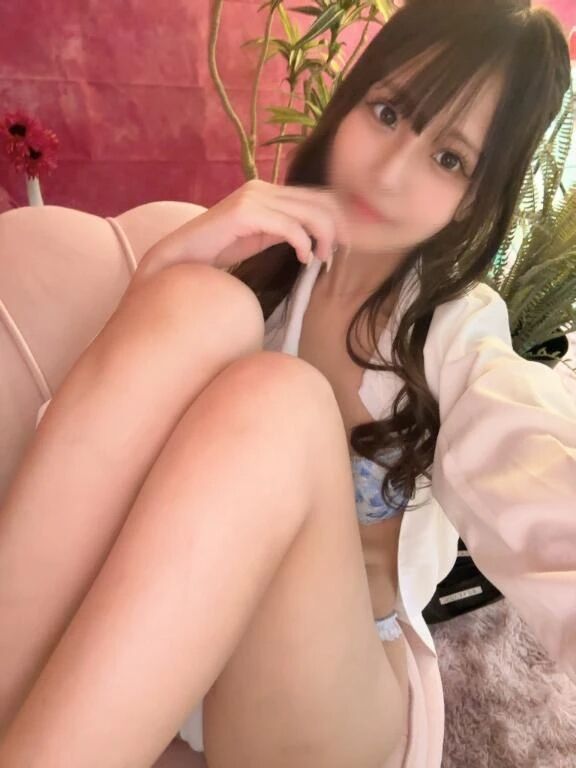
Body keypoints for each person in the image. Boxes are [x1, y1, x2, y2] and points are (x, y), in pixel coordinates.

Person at [0, 0, 574, 766]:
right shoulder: (260, 275)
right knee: (201, 306)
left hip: (338, 693)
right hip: (175, 648)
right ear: (350, 103)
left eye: (449, 159)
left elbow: (528, 463)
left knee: (279, 401)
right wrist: (168, 269)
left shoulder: (452, 332)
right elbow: (77, 471)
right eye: (389, 112)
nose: (390, 171)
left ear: (477, 197)